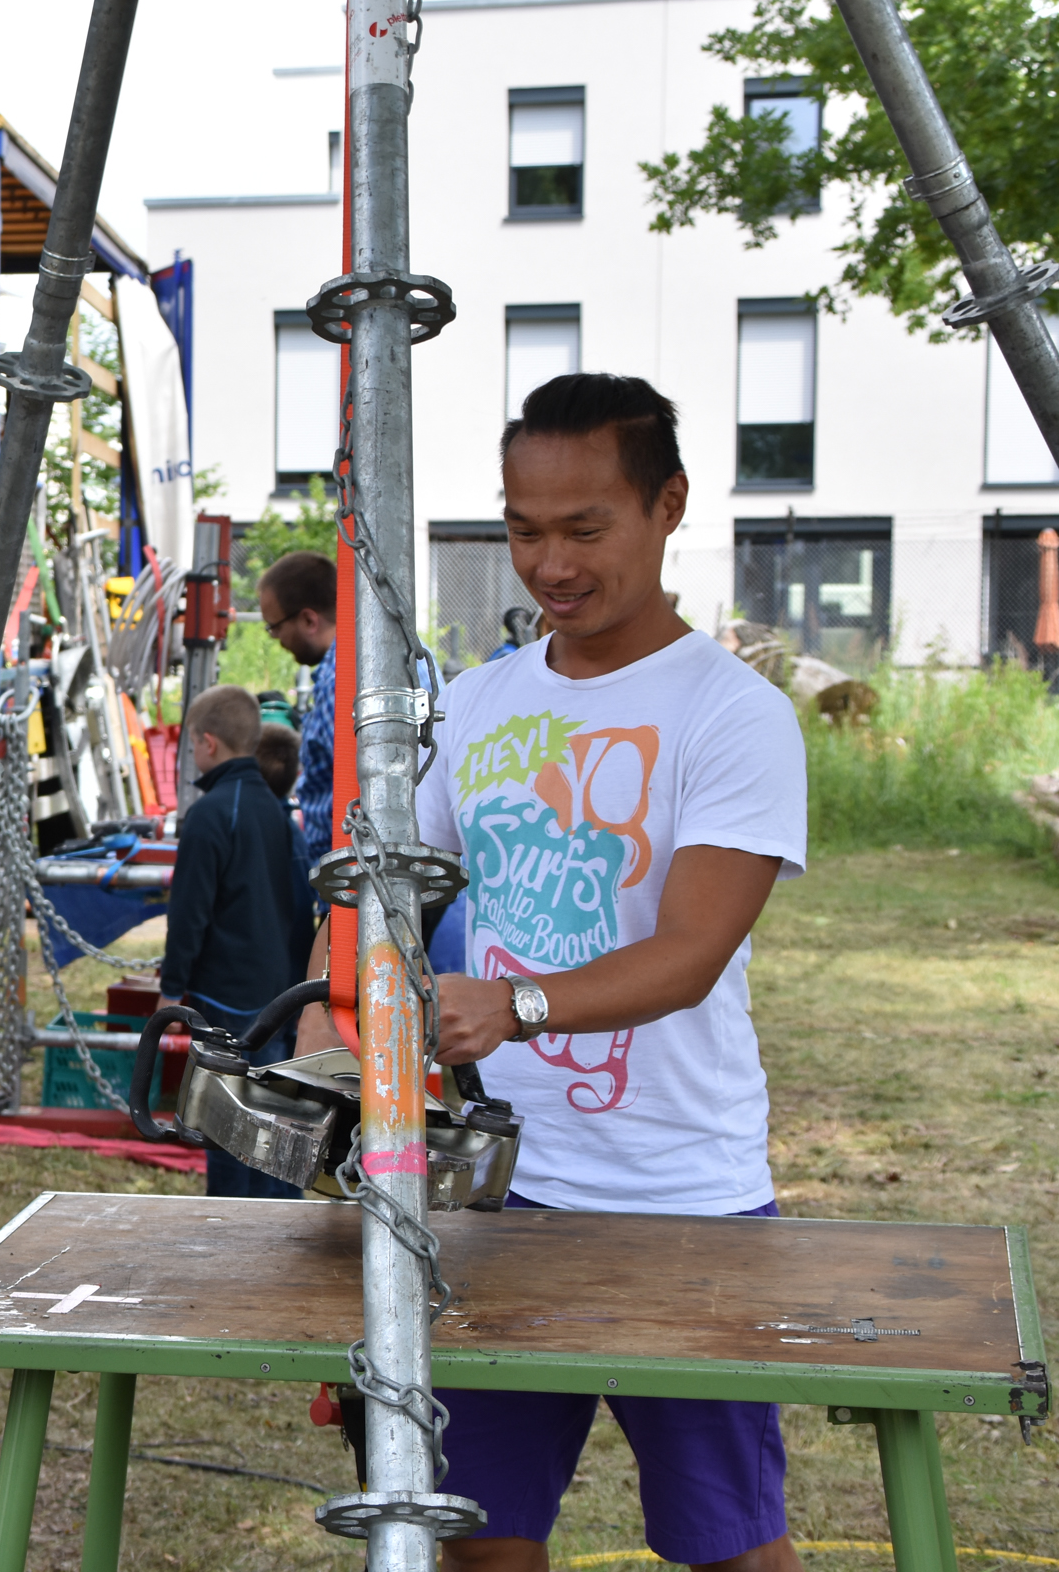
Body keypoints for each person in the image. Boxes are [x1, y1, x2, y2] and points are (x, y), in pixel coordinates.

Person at [418, 373, 807, 1572]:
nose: (552, 564)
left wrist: (513, 1005)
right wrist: (346, 1002)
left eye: (585, 529)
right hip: (498, 1196)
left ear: (667, 504)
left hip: (681, 1199)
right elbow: (390, 896)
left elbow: (691, 952)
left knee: (729, 1546)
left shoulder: (733, 714)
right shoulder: (473, 703)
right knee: (480, 1539)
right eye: (524, 530)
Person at [159, 685, 316, 1200]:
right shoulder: (279, 813)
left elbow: (188, 914)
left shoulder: (210, 814)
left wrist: (171, 990)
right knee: (275, 1126)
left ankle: (230, 1225)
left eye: (191, 745)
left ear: (207, 743)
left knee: (225, 1126)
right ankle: (282, 1223)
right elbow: (301, 908)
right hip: (278, 999)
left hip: (226, 1002)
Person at [255, 549, 338, 844]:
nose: (276, 639)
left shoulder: (341, 682)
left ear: (309, 620)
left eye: (275, 627)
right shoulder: (407, 655)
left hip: (349, 865)